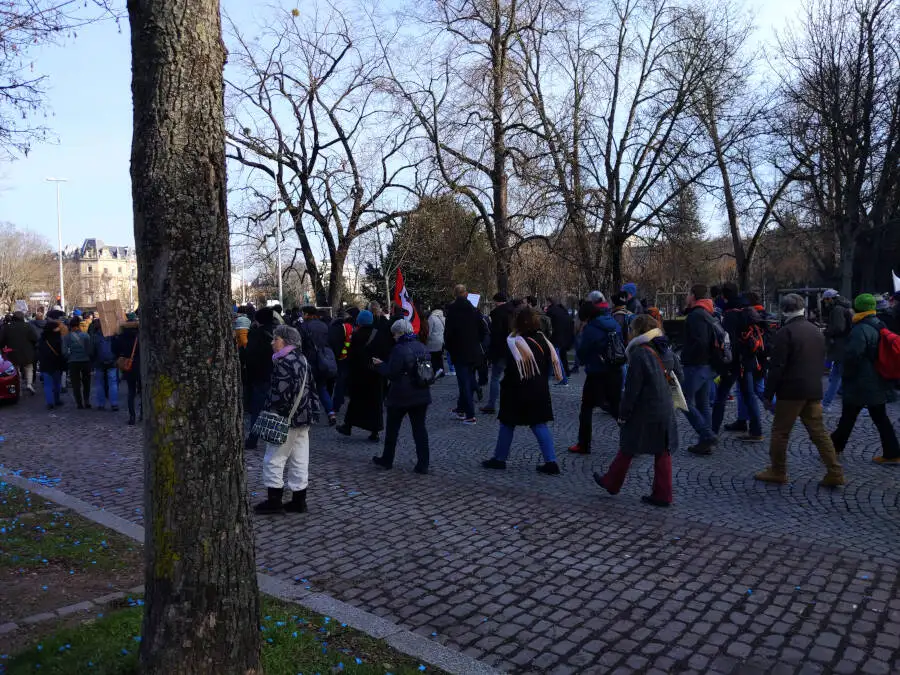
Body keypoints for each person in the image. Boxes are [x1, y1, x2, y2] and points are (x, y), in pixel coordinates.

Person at [754, 294, 844, 485]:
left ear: (784, 310)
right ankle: (835, 471)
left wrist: (768, 393)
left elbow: (777, 367)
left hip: (791, 390)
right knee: (819, 432)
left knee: (780, 432)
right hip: (813, 388)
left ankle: (778, 470)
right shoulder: (816, 331)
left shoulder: (785, 333)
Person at [593, 315, 681, 506]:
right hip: (665, 405)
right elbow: (679, 375)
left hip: (646, 408)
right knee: (662, 450)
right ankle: (663, 493)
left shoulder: (640, 353)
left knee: (629, 444)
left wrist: (623, 413)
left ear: (638, 331)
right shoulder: (665, 348)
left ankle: (612, 482)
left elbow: (633, 388)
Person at [481, 306, 563, 474]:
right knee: (539, 424)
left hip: (517, 390)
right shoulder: (544, 340)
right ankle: (551, 461)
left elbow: (512, 369)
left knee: (507, 424)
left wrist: (505, 385)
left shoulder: (515, 342)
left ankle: (500, 458)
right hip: (539, 388)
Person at [254, 325, 320, 514]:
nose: (272, 342)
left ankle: (274, 501)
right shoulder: (302, 359)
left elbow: (280, 394)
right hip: (303, 418)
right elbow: (312, 389)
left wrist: (272, 411)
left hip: (286, 418)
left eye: (276, 339)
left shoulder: (284, 362)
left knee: (274, 458)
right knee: (300, 459)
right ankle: (299, 500)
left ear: (286, 341)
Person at [831, 293, 900, 464]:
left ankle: (833, 447)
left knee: (849, 416)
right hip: (876, 379)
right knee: (879, 417)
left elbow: (853, 355)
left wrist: (846, 373)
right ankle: (892, 452)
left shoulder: (860, 328)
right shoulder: (879, 323)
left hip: (860, 382)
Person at [372, 319, 432, 473]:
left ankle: (387, 459)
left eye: (394, 334)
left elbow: (392, 373)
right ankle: (423, 463)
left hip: (401, 394)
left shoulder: (399, 349)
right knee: (420, 429)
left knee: (392, 429)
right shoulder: (422, 346)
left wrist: (379, 365)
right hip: (421, 392)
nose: (393, 337)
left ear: (399, 333)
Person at [569, 292, 624, 454]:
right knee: (616, 408)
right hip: (615, 370)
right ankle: (632, 441)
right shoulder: (613, 323)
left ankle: (584, 444)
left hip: (597, 372)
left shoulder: (591, 329)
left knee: (586, 408)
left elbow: (582, 352)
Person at [712, 282, 763, 442]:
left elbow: (728, 342)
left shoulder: (730, 314)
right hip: (748, 359)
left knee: (721, 397)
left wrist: (725, 364)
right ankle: (756, 430)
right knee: (749, 395)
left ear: (724, 296)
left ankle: (712, 432)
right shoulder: (748, 310)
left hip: (734, 362)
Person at [337, 310, 387, 441]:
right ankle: (375, 432)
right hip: (375, 374)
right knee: (375, 404)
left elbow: (350, 355)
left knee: (355, 402)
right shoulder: (379, 335)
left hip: (359, 375)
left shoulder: (356, 335)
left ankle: (348, 426)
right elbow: (384, 353)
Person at [680, 284, 719, 454]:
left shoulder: (696, 315)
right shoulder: (708, 312)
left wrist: (687, 356)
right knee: (703, 404)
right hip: (707, 364)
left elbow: (700, 342)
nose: (686, 297)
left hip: (696, 365)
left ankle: (707, 435)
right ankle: (705, 443)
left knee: (682, 401)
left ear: (693, 295)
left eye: (688, 294)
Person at [444, 284, 486, 425]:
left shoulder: (452, 311)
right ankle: (461, 409)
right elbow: (483, 330)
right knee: (467, 379)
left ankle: (470, 414)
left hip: (459, 351)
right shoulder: (474, 310)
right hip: (473, 351)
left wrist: (450, 349)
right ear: (466, 294)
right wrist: (476, 342)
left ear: (455, 294)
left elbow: (448, 334)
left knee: (464, 383)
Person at [244, 307, 279, 449]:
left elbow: (250, 356)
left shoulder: (256, 333)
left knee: (258, 408)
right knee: (276, 407)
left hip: (261, 375)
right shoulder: (279, 332)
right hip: (278, 374)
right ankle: (277, 436)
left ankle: (253, 438)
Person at [299, 305, 337, 425]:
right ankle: (331, 413)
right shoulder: (323, 325)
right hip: (322, 360)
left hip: (308, 360)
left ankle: (308, 414)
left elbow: (300, 344)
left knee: (305, 389)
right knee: (322, 388)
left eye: (303, 313)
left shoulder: (303, 326)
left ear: (307, 314)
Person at [481, 293, 514, 415]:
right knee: (511, 378)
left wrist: (491, 353)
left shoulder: (497, 313)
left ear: (497, 301)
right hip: (513, 348)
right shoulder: (513, 311)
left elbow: (496, 335)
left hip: (500, 350)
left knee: (495, 377)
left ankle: (491, 404)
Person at [821, 289, 853, 411]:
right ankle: (827, 402)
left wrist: (827, 331)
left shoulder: (837, 309)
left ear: (830, 299)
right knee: (836, 375)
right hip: (843, 346)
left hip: (840, 346)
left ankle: (826, 403)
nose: (825, 302)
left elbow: (839, 328)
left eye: (826, 300)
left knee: (836, 376)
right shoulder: (844, 307)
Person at [0, 311, 38, 395]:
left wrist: (3, 349)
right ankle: (29, 384)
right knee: (29, 367)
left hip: (12, 352)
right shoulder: (28, 326)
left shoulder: (7, 327)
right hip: (27, 352)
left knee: (15, 370)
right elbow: (35, 338)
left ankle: (18, 386)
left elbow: (1, 340)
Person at [114, 314, 142, 424]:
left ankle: (132, 416)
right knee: (142, 392)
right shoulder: (140, 336)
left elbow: (115, 350)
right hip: (139, 365)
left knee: (131, 392)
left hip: (128, 366)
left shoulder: (121, 337)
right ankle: (143, 414)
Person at [328, 309, 356, 415]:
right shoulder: (347, 327)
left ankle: (335, 402)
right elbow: (349, 342)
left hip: (334, 357)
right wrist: (345, 352)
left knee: (337, 381)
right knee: (342, 381)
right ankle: (338, 402)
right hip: (344, 357)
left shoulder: (332, 327)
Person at [63, 317, 93, 409]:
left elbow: (64, 352)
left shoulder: (67, 337)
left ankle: (79, 403)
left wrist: (69, 357)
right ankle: (87, 401)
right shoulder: (86, 336)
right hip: (85, 361)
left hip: (73, 362)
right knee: (86, 382)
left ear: (70, 326)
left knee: (76, 384)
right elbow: (90, 350)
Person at [90, 318, 119, 411]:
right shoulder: (113, 336)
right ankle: (114, 403)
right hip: (112, 362)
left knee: (99, 383)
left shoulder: (95, 336)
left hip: (99, 362)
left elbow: (91, 351)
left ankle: (101, 404)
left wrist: (93, 361)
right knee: (113, 383)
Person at [37, 320, 65, 410]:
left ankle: (50, 402)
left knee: (47, 384)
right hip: (56, 363)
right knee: (57, 383)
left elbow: (39, 351)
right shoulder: (58, 339)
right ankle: (57, 400)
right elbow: (62, 352)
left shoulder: (42, 339)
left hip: (45, 364)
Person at [546, 297, 574, 386]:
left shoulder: (551, 311)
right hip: (563, 337)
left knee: (556, 358)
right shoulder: (562, 311)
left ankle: (563, 379)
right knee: (555, 358)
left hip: (555, 337)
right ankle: (549, 378)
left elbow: (548, 326)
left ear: (549, 302)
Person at [426, 308, 446, 376]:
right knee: (439, 357)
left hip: (433, 341)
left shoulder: (432, 318)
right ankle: (441, 371)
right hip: (441, 340)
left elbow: (429, 330)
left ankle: (436, 371)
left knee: (434, 357)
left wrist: (427, 339)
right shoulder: (442, 318)